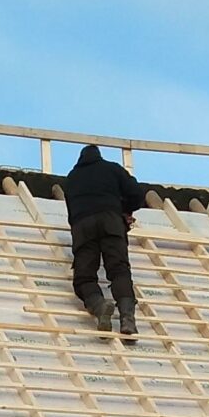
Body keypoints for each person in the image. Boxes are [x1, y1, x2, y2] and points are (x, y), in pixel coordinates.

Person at [62, 144, 150, 340]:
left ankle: (99, 305)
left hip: (83, 225)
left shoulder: (72, 178)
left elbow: (71, 211)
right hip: (111, 221)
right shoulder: (112, 169)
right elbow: (137, 193)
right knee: (119, 270)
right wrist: (124, 209)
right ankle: (127, 318)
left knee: (84, 277)